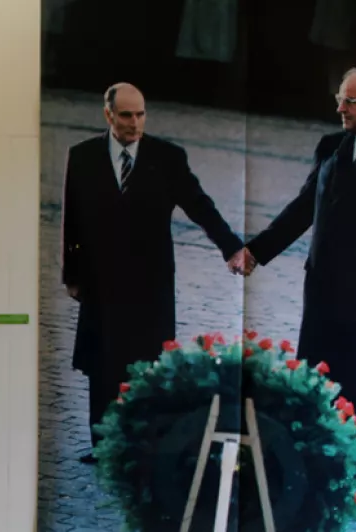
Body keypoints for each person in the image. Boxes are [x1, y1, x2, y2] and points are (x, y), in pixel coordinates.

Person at [231, 68, 356, 506]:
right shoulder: (331, 148)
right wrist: (255, 252)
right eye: (340, 100)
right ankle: (320, 467)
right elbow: (304, 208)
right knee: (320, 382)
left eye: (350, 102)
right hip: (325, 294)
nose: (339, 109)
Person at [61, 82, 245, 464]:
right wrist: (72, 274)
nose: (134, 123)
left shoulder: (167, 158)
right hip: (101, 278)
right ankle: (103, 442)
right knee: (102, 361)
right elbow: (72, 221)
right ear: (108, 114)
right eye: (126, 115)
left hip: (150, 280)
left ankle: (142, 441)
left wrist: (231, 247)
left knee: (146, 361)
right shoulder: (82, 157)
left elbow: (200, 206)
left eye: (140, 114)